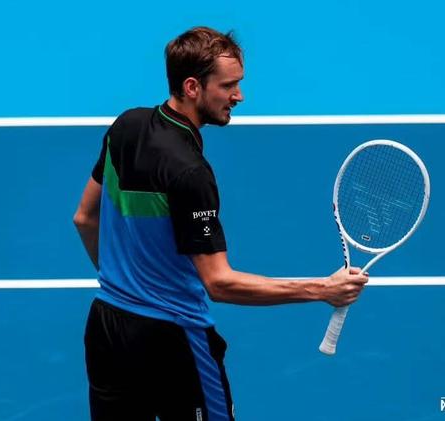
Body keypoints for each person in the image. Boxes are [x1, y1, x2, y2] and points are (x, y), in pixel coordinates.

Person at [73, 26, 369, 421]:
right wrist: (323, 289)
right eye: (228, 86)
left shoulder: (125, 126)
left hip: (107, 327)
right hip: (172, 339)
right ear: (192, 87)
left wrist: (127, 283)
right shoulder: (190, 172)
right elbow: (219, 283)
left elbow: (84, 218)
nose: (239, 96)